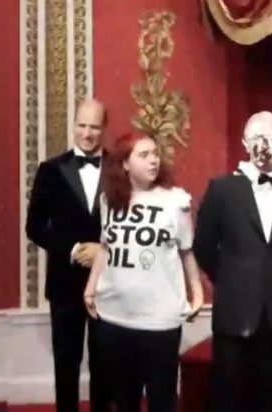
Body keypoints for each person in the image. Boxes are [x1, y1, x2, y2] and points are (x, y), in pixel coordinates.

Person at [193, 111, 272, 412]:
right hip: (234, 312)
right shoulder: (221, 189)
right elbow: (203, 246)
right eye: (257, 136)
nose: (264, 144)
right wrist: (232, 279)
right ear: (245, 142)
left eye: (271, 137)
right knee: (228, 396)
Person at [83, 131, 203, 412]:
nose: (153, 161)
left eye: (155, 154)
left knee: (162, 400)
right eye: (144, 155)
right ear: (125, 163)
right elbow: (105, 247)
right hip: (114, 316)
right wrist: (90, 288)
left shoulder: (175, 201)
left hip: (158, 321)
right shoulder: (110, 200)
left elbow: (186, 251)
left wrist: (197, 293)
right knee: (124, 400)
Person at [25, 99, 111, 412]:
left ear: (104, 129)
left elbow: (132, 220)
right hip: (64, 283)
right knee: (66, 364)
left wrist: (103, 251)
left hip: (108, 282)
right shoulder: (50, 170)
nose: (87, 133)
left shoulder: (120, 168)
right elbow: (34, 227)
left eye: (94, 127)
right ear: (74, 125)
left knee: (105, 365)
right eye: (82, 125)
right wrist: (74, 250)